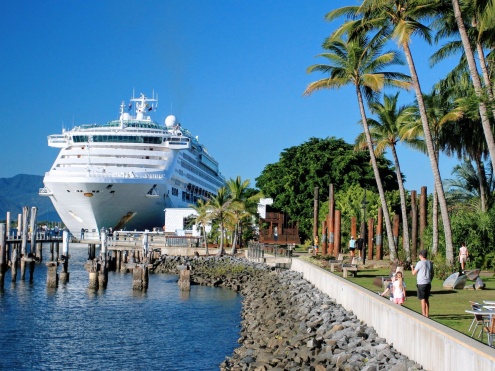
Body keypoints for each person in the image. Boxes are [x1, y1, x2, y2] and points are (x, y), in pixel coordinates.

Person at [411, 249, 434, 317]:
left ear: (421, 255)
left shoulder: (420, 263)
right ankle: (427, 314)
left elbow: (413, 273)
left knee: (422, 299)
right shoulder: (429, 263)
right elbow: (432, 273)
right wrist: (430, 279)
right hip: (428, 283)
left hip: (421, 283)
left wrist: (412, 268)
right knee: (427, 299)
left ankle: (423, 314)